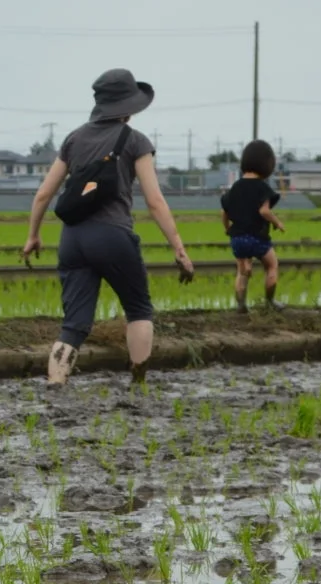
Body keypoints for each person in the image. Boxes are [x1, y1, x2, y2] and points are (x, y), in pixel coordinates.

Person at [21, 69, 195, 387]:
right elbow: (155, 201)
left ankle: (55, 384)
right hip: (113, 236)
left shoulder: (74, 139)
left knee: (74, 324)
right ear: (129, 106)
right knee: (138, 308)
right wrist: (178, 248)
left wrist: (33, 235)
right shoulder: (135, 141)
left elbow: (44, 193)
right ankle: (138, 384)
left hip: (72, 239)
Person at [222, 139, 287, 313]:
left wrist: (227, 228)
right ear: (267, 164)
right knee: (272, 265)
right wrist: (277, 222)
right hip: (258, 238)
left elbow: (225, 212)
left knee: (242, 271)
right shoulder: (262, 188)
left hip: (238, 238)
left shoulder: (234, 188)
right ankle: (270, 301)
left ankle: (241, 305)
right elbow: (264, 212)